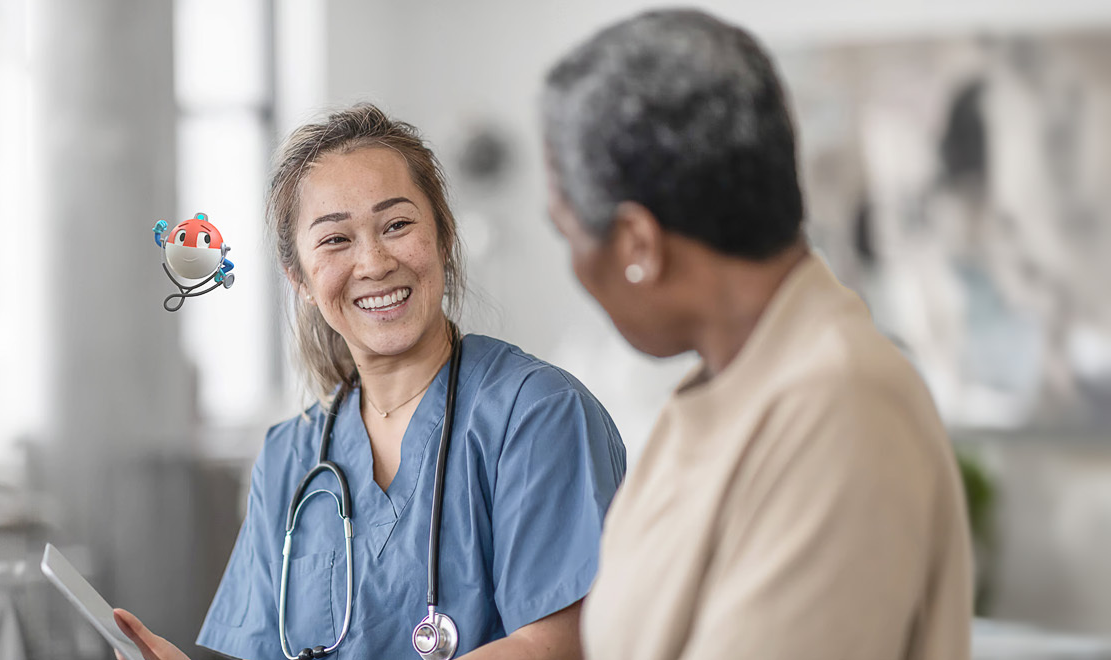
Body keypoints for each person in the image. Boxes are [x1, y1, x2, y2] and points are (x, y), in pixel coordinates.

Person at [115, 103, 626, 660]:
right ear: (300, 279)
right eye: (335, 240)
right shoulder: (290, 457)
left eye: (398, 225)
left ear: (443, 238)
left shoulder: (538, 415)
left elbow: (553, 645)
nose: (375, 262)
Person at [537, 9, 973, 659]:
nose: (573, 266)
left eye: (567, 233)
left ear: (636, 244)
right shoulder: (725, 390)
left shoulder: (840, 406)